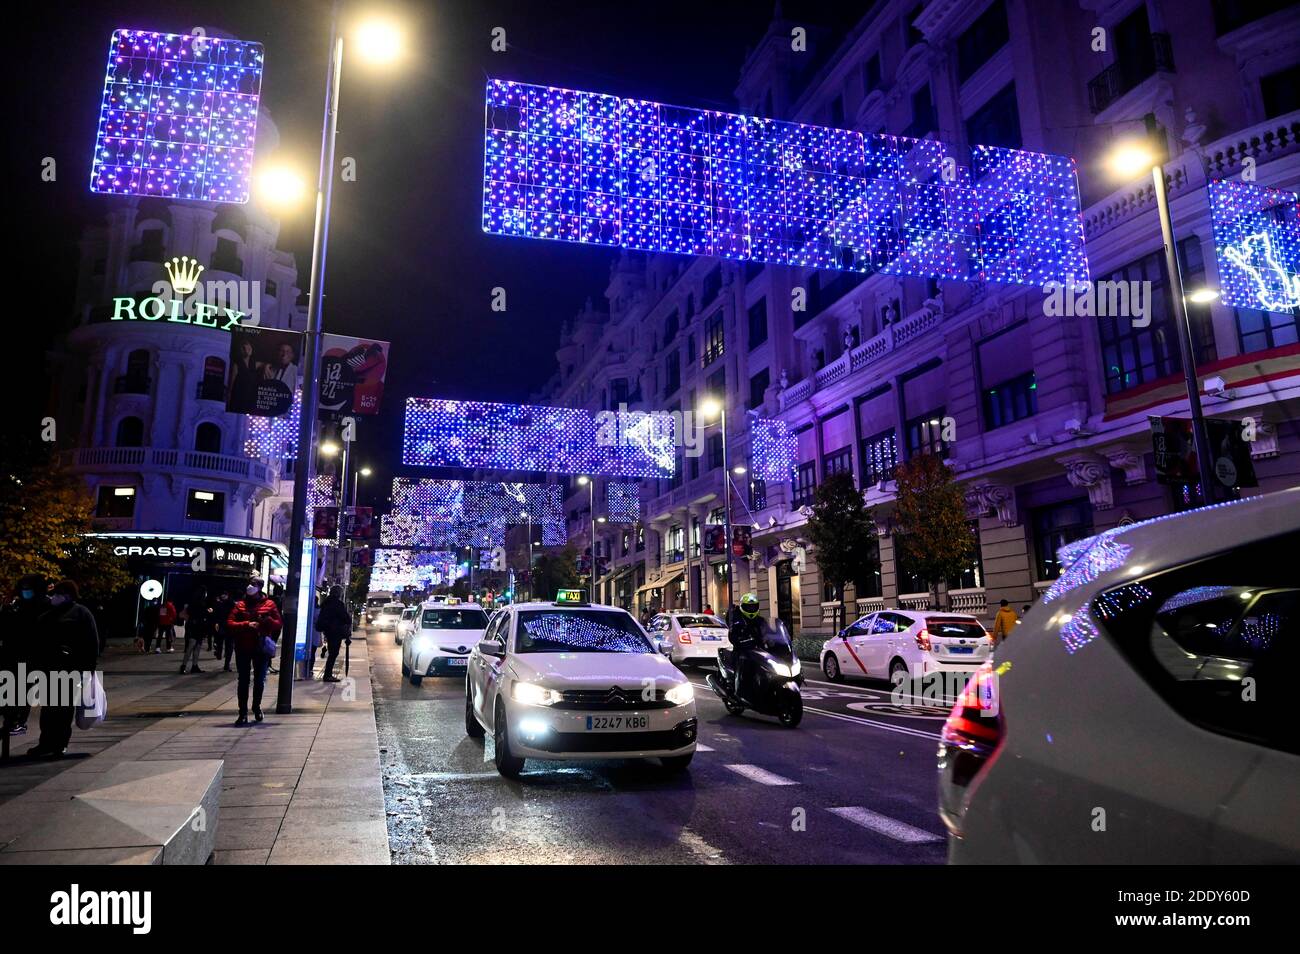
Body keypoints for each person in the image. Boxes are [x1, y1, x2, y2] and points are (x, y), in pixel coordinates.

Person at [29, 580, 99, 759]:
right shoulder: (47, 615)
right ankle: (46, 742)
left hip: (71, 669)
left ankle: (60, 743)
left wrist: (88, 668)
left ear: (68, 596)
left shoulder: (80, 613)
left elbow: (92, 641)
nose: (54, 597)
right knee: (49, 709)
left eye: (59, 594)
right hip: (49, 669)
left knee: (64, 709)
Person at [226, 577, 282, 726]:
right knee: (243, 680)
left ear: (260, 587)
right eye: (250, 583)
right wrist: (246, 624)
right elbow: (230, 623)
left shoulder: (269, 604)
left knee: (259, 680)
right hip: (243, 646)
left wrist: (267, 620)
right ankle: (242, 712)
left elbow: (278, 624)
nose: (251, 586)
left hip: (260, 647)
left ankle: (256, 707)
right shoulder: (240, 605)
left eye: (254, 584)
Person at [1, 574, 50, 736]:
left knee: (23, 690)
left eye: (28, 589)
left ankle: (17, 720)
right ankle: (13, 719)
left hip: (33, 656)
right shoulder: (17, 606)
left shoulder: (45, 606)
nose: (25, 592)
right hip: (14, 654)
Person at [724, 592, 779, 700]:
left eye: (753, 606)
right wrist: (740, 640)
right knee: (743, 664)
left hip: (758, 650)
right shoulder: (737, 620)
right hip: (742, 650)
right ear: (743, 607)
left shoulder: (760, 620)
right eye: (748, 607)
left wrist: (774, 639)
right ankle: (738, 692)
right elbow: (732, 635)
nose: (751, 609)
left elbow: (769, 632)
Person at [315, 586, 352, 683]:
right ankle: (328, 675)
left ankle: (328, 674)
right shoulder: (337, 604)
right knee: (333, 653)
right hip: (335, 631)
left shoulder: (326, 603)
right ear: (339, 593)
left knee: (332, 652)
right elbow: (345, 617)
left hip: (328, 630)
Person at [179, 587, 211, 674]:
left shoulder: (193, 603)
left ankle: (188, 666)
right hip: (197, 626)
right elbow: (202, 614)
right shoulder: (201, 604)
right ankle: (190, 666)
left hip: (193, 625)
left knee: (193, 646)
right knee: (194, 646)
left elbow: (189, 613)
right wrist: (207, 612)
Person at [212, 590, 235, 670]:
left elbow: (216, 614)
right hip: (226, 626)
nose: (222, 596)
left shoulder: (223, 603)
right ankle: (226, 663)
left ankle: (225, 662)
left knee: (226, 644)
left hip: (226, 625)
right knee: (227, 645)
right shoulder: (229, 603)